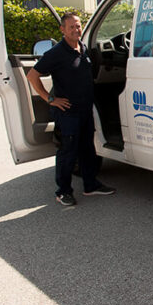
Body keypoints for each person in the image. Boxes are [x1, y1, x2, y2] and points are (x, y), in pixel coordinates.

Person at [26, 12, 115, 206]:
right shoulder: (56, 53)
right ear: (62, 30)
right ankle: (63, 191)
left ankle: (90, 185)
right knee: (68, 151)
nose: (76, 30)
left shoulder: (82, 48)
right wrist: (50, 99)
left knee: (87, 149)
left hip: (85, 109)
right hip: (68, 112)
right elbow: (32, 76)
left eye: (78, 26)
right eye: (71, 27)